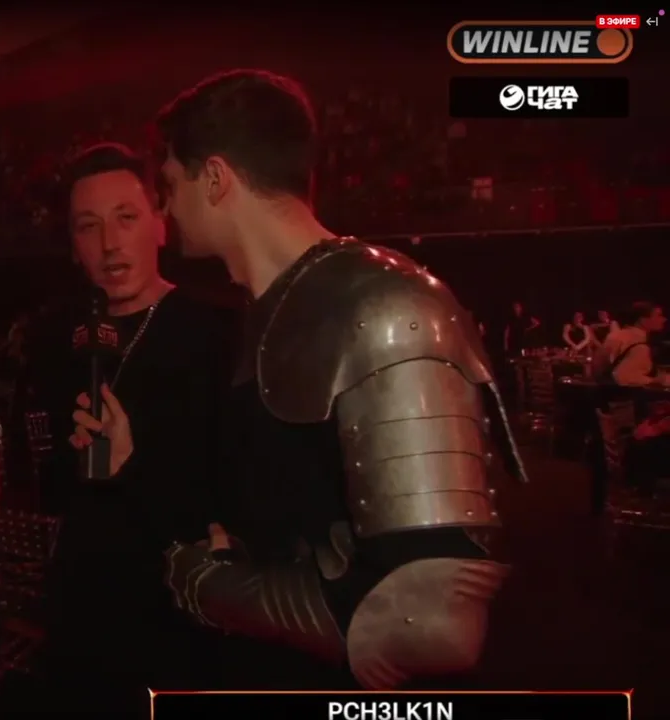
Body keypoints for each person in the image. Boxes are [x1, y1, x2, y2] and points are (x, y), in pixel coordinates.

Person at [73, 69, 523, 690]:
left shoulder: (385, 308)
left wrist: (214, 588)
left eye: (171, 184)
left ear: (215, 179)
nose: (166, 208)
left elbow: (432, 621)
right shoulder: (268, 313)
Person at [41, 143, 233, 713]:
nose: (109, 242)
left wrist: (132, 464)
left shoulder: (218, 335)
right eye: (88, 226)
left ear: (160, 223)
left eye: (125, 217)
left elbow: (233, 499)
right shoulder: (59, 339)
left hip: (176, 623)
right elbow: (51, 487)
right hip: (80, 621)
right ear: (73, 245)